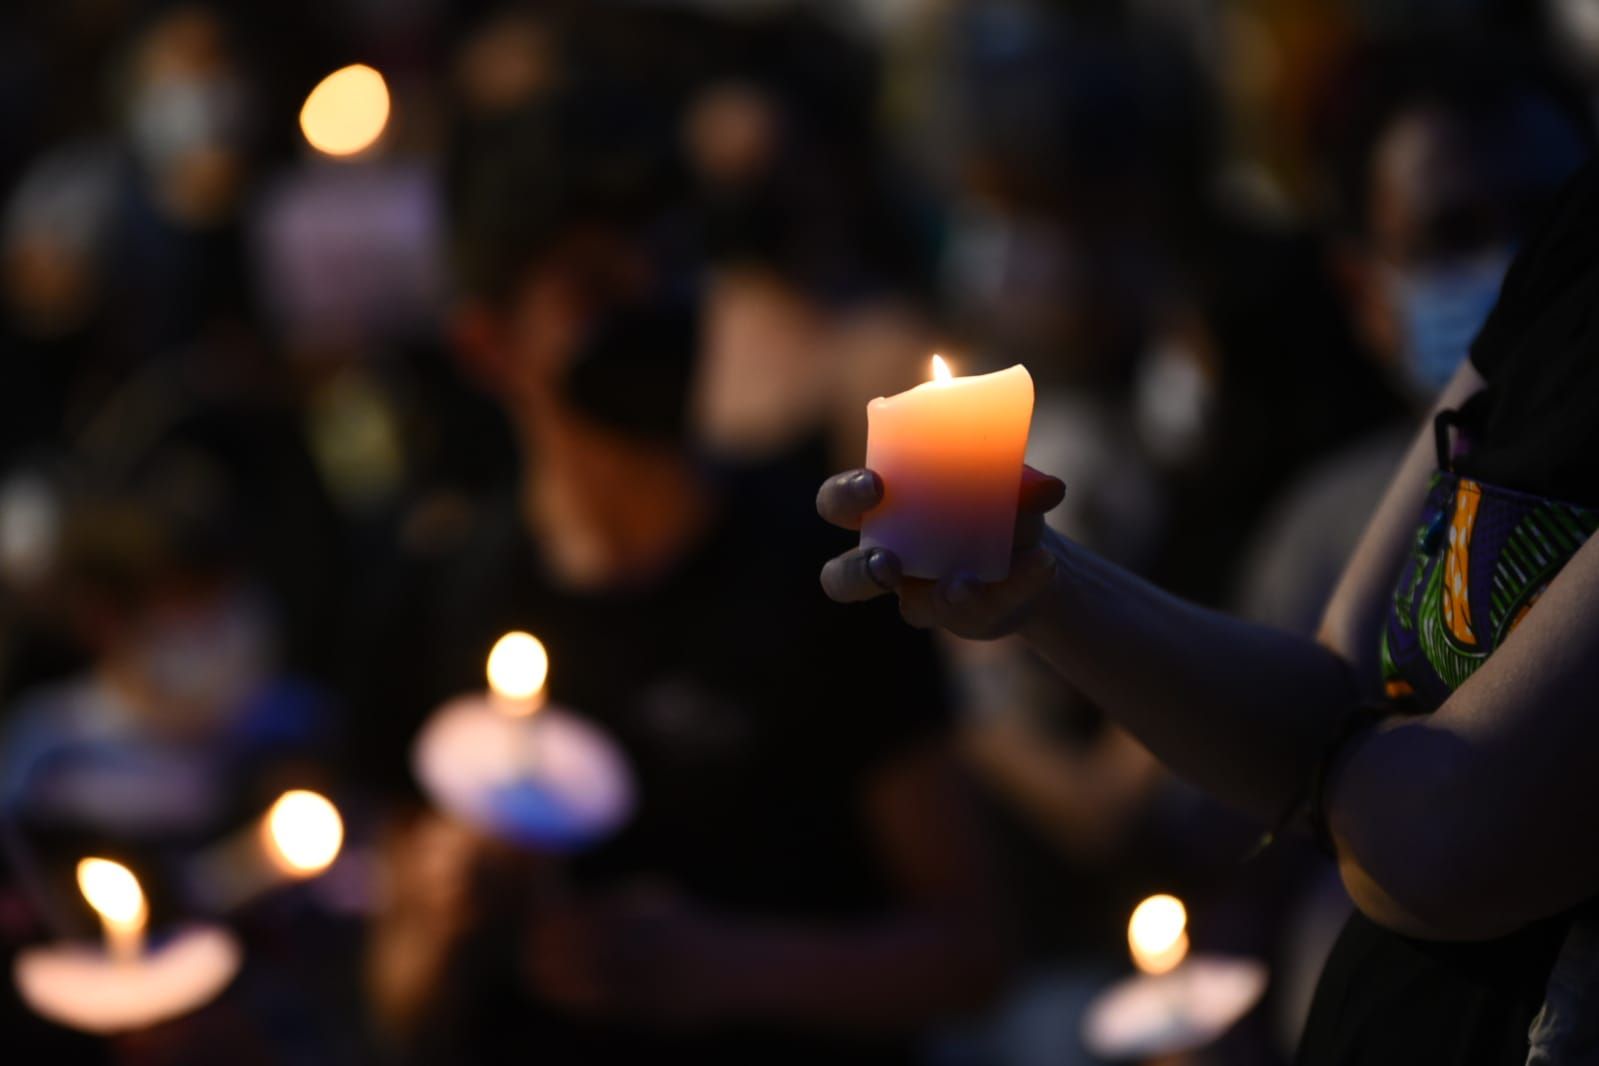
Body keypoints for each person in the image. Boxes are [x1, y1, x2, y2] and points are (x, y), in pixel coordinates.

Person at [818, 155, 1599, 1062]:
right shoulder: (1570, 250)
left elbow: (1443, 841)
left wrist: (1345, 769)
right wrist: (1038, 585)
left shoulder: (1278, 512)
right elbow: (1330, 688)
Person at [357, 73, 1008, 1065]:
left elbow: (972, 949)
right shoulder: (443, 598)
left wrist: (728, 966)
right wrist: (446, 923)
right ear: (489, 344)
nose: (654, 306)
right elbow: (396, 1004)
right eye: (594, 285)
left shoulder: (825, 573)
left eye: (669, 260)